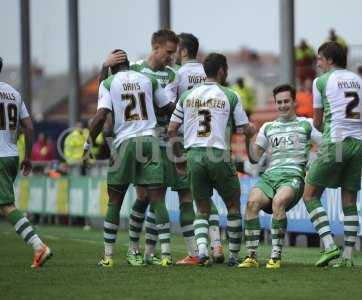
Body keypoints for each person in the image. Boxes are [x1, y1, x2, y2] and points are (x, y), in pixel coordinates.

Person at [86, 50, 174, 267]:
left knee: (114, 201)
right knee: (157, 200)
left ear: (111, 66)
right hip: (150, 141)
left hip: (123, 143)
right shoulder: (149, 79)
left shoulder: (108, 82)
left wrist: (88, 143)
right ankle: (165, 255)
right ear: (127, 64)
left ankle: (108, 257)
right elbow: (167, 107)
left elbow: (100, 117)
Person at [168, 53, 256, 266]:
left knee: (202, 208)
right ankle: (234, 256)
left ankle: (202, 253)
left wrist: (180, 159)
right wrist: (251, 132)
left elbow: (171, 129)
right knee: (233, 206)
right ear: (221, 71)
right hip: (218, 153)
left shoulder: (187, 96)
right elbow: (244, 128)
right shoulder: (230, 95)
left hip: (194, 156)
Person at [238, 84, 322, 269]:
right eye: (279, 102)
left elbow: (326, 146)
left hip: (293, 176)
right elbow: (254, 158)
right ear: (275, 104)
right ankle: (251, 256)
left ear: (294, 102)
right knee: (252, 203)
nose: (283, 105)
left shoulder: (306, 124)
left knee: (278, 201)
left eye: (286, 101)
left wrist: (316, 168)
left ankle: (275, 256)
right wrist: (247, 138)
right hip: (270, 176)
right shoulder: (268, 127)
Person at [303, 41, 362, 267]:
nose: (317, 62)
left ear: (329, 59)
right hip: (358, 142)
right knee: (349, 199)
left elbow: (318, 123)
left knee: (309, 194)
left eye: (320, 58)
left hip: (337, 142)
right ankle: (348, 257)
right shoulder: (359, 80)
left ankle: (329, 246)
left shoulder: (321, 81)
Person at [164, 32, 224, 265]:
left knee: (188, 198)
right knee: (208, 198)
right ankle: (216, 244)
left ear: (183, 51)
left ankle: (195, 251)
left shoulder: (177, 74)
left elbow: (169, 106)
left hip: (186, 143)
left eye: (176, 50)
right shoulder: (208, 73)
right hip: (213, 142)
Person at [0, 56, 52, 268]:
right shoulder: (14, 93)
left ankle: (38, 246)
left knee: (6, 206)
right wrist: (28, 156)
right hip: (12, 154)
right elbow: (29, 127)